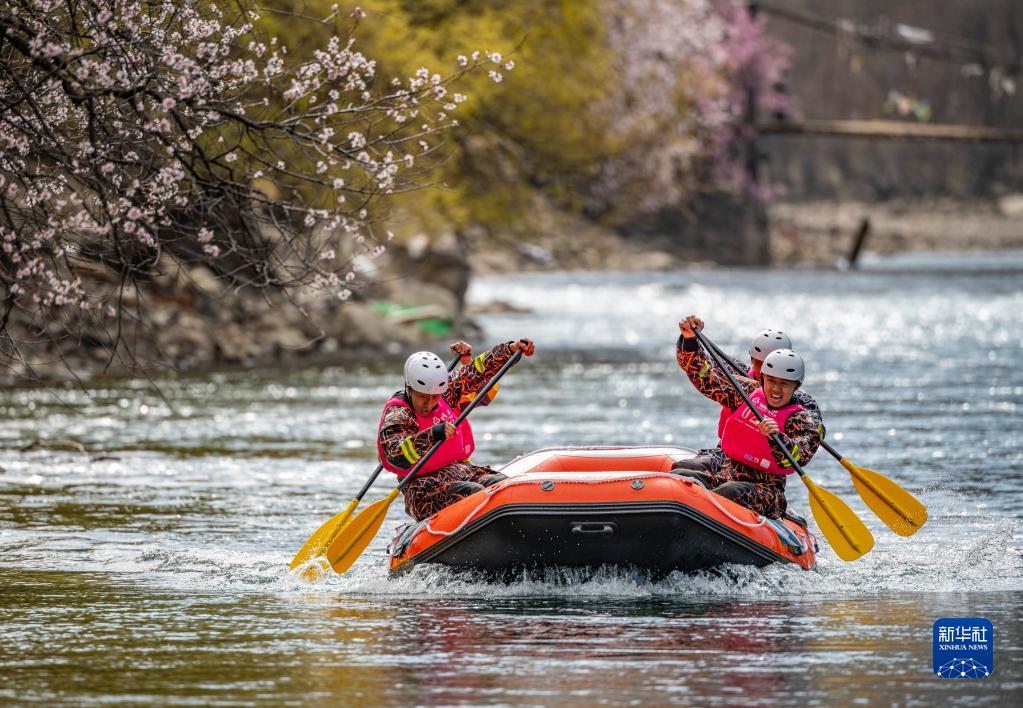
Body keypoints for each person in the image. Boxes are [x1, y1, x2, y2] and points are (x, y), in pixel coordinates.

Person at [673, 315, 822, 519]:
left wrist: (778, 439)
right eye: (771, 380)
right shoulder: (746, 390)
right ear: (763, 377)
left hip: (767, 488)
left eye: (784, 383)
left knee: (730, 492)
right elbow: (705, 377)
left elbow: (800, 456)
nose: (776, 389)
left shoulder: (802, 416)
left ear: (796, 385)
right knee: (681, 475)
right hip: (728, 469)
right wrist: (690, 340)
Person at [378, 338, 535, 521]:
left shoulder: (446, 392)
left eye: (434, 397)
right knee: (474, 493)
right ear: (409, 388)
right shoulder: (398, 414)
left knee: (503, 486)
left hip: (457, 471)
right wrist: (433, 434)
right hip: (422, 488)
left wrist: (510, 349)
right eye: (422, 397)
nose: (428, 404)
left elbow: (477, 370)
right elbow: (395, 455)